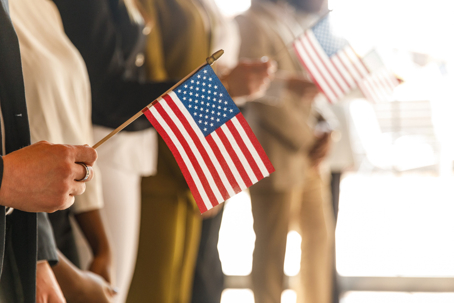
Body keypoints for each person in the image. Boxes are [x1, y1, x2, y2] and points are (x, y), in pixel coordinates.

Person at [127, 1, 273, 302]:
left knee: (183, 287)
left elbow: (204, 81)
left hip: (191, 157)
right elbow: (156, 88)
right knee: (156, 289)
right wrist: (196, 167)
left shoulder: (200, 6)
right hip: (163, 163)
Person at [51, 0, 175, 301]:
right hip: (99, 148)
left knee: (115, 283)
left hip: (125, 150)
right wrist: (202, 89)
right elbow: (108, 96)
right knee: (105, 287)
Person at [9, 0, 117, 301]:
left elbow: (74, 126)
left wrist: (103, 247)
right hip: (19, 218)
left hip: (60, 208)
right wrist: (45, 260)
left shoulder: (44, 7)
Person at [236, 0, 335, 302]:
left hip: (308, 160)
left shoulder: (289, 21)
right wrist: (309, 140)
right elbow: (259, 97)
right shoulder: (249, 22)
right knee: (272, 254)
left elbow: (305, 88)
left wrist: (324, 127)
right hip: (275, 157)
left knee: (319, 243)